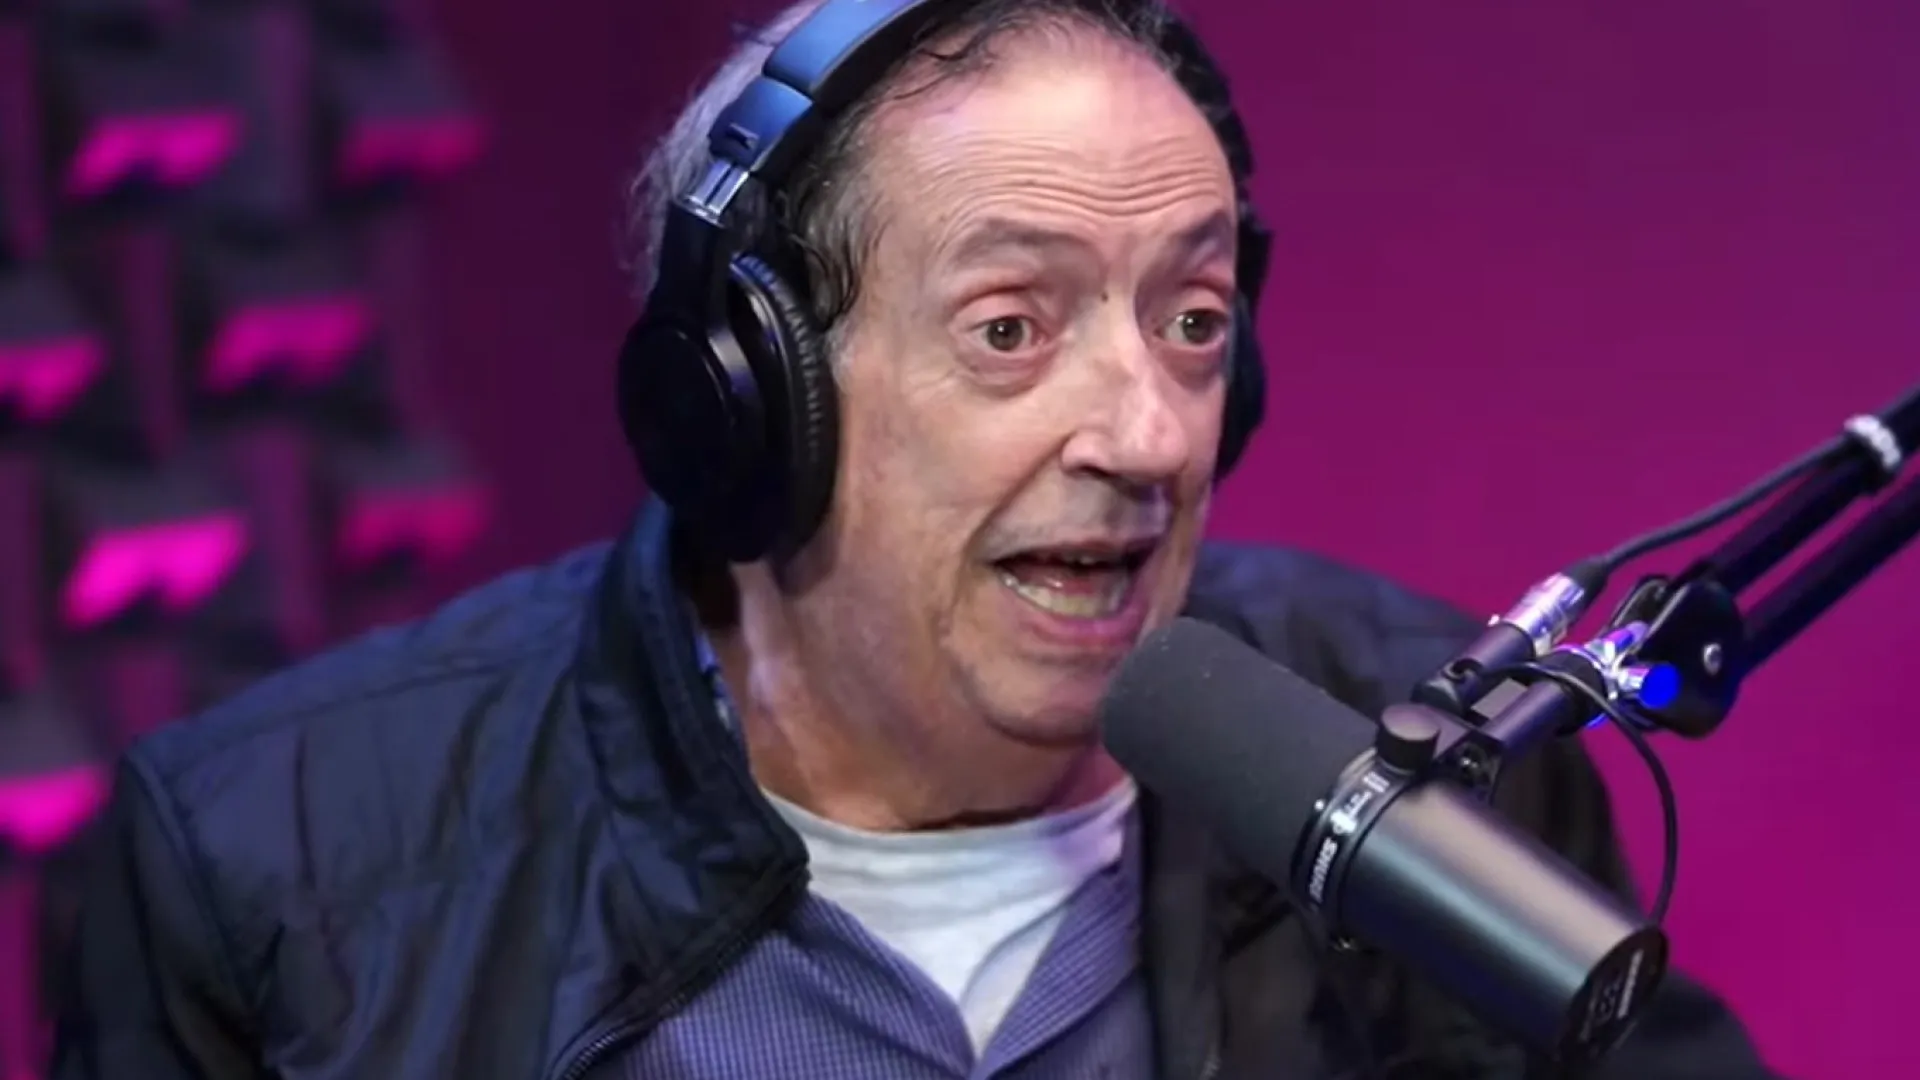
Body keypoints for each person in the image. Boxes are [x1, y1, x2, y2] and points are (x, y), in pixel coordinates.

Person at [52, 1, 1785, 1078]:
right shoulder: (279, 867)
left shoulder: (1434, 750)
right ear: (754, 402)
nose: (1147, 435)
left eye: (1192, 322)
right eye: (1011, 329)